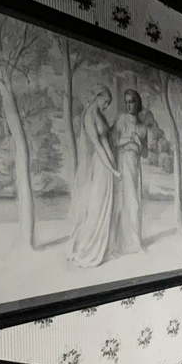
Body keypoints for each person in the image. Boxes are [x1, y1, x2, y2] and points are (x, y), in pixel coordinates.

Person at [68, 88, 120, 267]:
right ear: (98, 97)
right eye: (105, 101)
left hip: (108, 165)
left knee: (108, 205)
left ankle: (104, 248)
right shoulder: (89, 117)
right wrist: (112, 169)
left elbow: (107, 137)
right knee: (97, 205)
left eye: (108, 103)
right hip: (101, 166)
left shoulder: (100, 115)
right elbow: (98, 145)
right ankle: (88, 248)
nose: (106, 105)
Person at [110, 88, 149, 255]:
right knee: (128, 202)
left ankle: (134, 242)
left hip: (136, 165)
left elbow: (145, 153)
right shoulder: (122, 119)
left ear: (137, 102)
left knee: (136, 202)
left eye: (131, 101)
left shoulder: (142, 126)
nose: (129, 105)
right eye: (126, 102)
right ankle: (127, 243)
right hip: (124, 162)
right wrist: (130, 139)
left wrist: (140, 142)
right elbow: (114, 141)